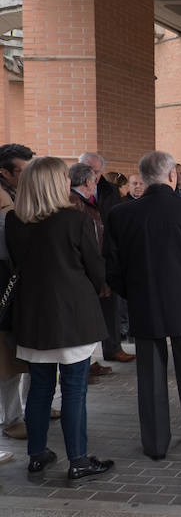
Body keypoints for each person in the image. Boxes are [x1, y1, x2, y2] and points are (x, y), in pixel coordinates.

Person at [104, 151, 181, 461]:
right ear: (172, 175)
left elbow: (112, 268)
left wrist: (132, 293)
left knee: (150, 375)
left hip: (144, 303)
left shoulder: (121, 215)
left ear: (143, 178)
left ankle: (156, 445)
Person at [6, 156, 114, 479]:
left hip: (33, 319)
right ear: (56, 184)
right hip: (73, 319)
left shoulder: (13, 222)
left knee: (39, 389)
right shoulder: (75, 221)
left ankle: (37, 455)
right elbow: (96, 270)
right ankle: (78, 461)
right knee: (74, 390)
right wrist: (101, 287)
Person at [69, 163, 135, 367]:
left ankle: (110, 350)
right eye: (94, 173)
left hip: (103, 259)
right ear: (88, 180)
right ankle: (84, 363)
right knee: (84, 315)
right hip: (87, 267)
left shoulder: (109, 191)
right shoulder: (74, 203)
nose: (97, 177)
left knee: (110, 308)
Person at [0, 143, 33, 444]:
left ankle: (32, 408)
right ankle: (11, 419)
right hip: (4, 287)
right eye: (22, 171)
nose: (27, 176)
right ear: (5, 173)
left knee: (24, 353)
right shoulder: (3, 203)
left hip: (17, 285)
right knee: (8, 359)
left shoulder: (17, 196)